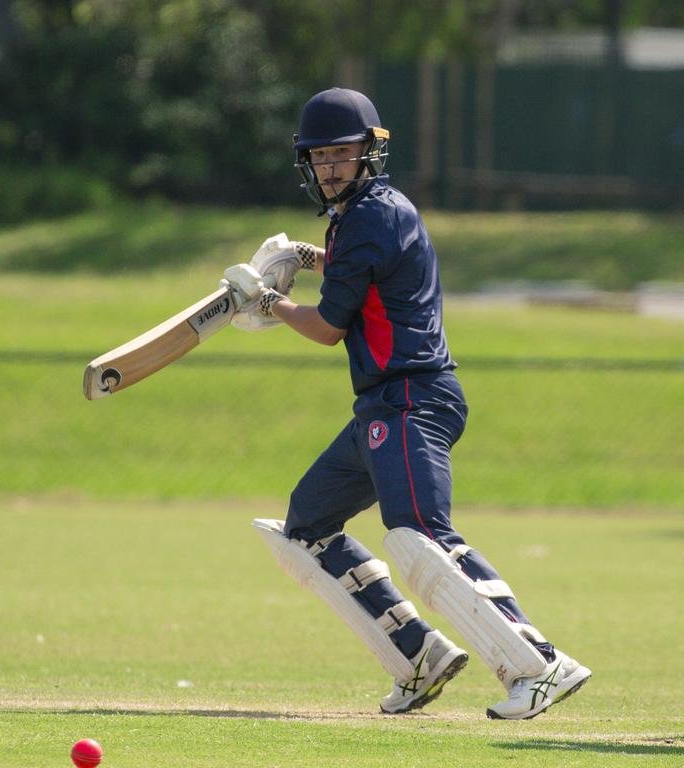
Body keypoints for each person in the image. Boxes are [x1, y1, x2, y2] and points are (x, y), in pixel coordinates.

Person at [221, 87, 591, 719]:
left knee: (422, 536)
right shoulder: (360, 217)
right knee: (306, 527)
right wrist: (301, 258)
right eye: (321, 157)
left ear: (371, 152)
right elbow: (349, 272)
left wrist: (268, 303)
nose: (331, 167)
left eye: (344, 153)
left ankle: (540, 662)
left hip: (412, 399)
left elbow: (328, 327)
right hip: (382, 407)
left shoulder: (369, 216)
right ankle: (420, 657)